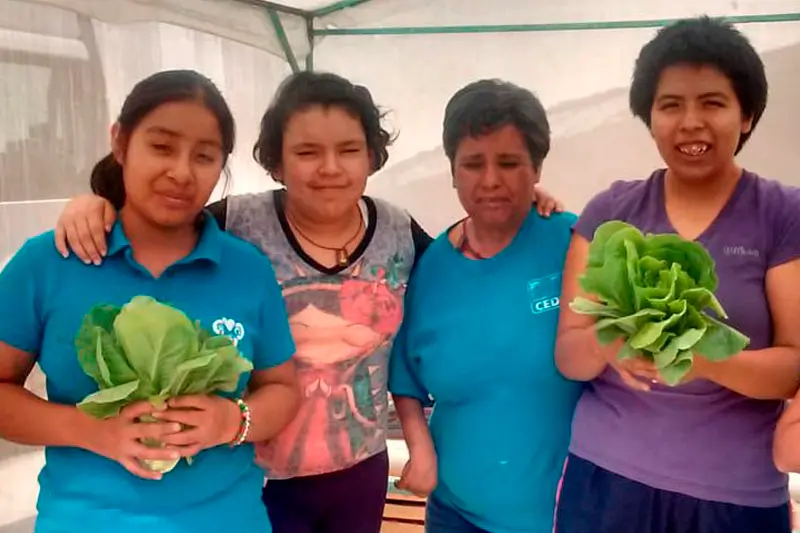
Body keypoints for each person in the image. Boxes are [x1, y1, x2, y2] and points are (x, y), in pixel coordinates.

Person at [50, 71, 563, 533]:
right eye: (307, 152)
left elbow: (471, 262)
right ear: (275, 160)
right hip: (253, 473)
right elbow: (158, 222)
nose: (329, 169)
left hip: (360, 470)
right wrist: (97, 203)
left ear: (372, 156)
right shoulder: (235, 223)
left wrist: (535, 203)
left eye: (348, 150)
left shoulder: (399, 232)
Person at [0, 70, 300, 533]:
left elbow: (282, 389)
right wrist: (90, 429)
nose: (181, 172)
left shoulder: (247, 270)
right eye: (161, 147)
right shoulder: (48, 262)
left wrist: (232, 420)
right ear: (120, 142)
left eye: (204, 156)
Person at [554, 16, 800, 533]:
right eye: (670, 105)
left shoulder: (783, 214)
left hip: (736, 495)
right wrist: (609, 344)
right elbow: (570, 354)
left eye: (712, 102)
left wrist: (703, 360)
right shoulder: (611, 211)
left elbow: (794, 365)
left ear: (747, 115)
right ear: (649, 117)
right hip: (607, 479)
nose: (690, 122)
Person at [389, 79, 584, 533]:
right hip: (457, 515)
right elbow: (406, 380)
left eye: (510, 162)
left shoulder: (575, 243)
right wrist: (419, 449)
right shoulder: (431, 268)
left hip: (568, 515)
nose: (491, 180)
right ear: (453, 171)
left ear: (537, 169)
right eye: (473, 164)